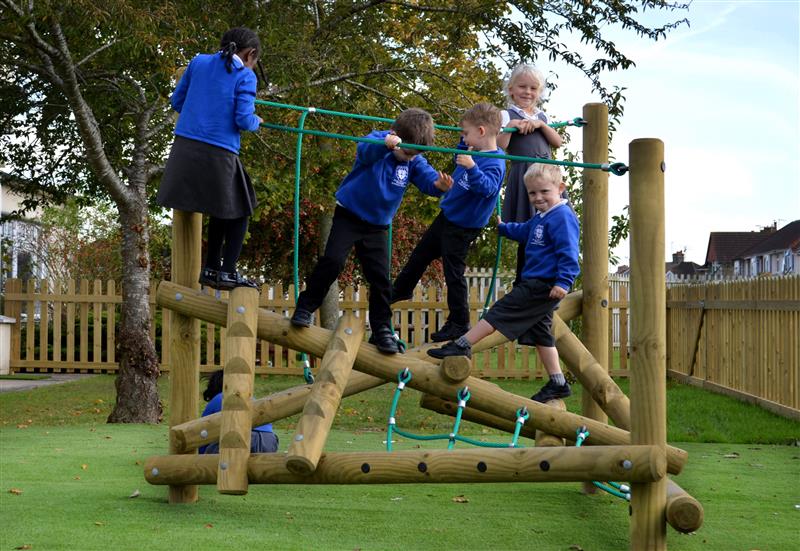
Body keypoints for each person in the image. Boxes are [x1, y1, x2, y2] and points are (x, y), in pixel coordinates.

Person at [290, 108, 452, 354]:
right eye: (406, 152)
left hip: (377, 226)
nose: (409, 158)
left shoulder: (413, 160)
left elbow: (426, 177)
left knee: (380, 279)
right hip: (349, 216)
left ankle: (381, 329)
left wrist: (438, 186)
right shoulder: (377, 142)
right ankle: (305, 307)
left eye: (414, 155)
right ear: (394, 135)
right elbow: (364, 151)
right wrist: (385, 146)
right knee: (332, 261)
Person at [427, 163, 579, 403]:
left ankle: (462, 344)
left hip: (543, 284)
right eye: (532, 193)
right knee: (541, 334)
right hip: (536, 282)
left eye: (544, 192)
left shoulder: (562, 217)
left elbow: (569, 252)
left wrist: (564, 281)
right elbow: (525, 231)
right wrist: (503, 228)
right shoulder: (543, 216)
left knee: (500, 311)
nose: (538, 198)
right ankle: (558, 382)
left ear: (560, 188)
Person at [157, 27, 262, 291]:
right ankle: (227, 271)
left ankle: (211, 269)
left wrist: (200, 113)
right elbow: (243, 119)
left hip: (184, 149)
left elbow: (177, 101)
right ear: (250, 54)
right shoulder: (244, 76)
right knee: (243, 207)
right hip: (219, 152)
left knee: (222, 208)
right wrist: (256, 121)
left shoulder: (199, 62)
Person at [391, 103, 506, 342]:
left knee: (453, 273)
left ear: (482, 132)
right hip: (447, 217)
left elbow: (488, 189)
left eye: (465, 133)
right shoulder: (470, 151)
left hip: (463, 227)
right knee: (419, 256)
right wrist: (465, 147)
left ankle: (459, 322)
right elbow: (460, 154)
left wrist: (472, 167)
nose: (462, 137)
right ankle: (401, 289)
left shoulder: (495, 162)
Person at [496, 63, 564, 286]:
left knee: (552, 224)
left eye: (533, 88)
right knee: (530, 227)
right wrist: (512, 126)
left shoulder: (541, 117)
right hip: (525, 175)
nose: (528, 92)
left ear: (539, 92)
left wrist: (540, 125)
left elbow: (557, 142)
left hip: (546, 175)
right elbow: (500, 145)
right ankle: (523, 279)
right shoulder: (506, 115)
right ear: (511, 89)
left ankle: (550, 275)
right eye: (522, 87)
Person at [199, 370, 279, 454]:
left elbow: (202, 431)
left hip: (242, 438)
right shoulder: (250, 398)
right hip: (269, 440)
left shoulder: (218, 398)